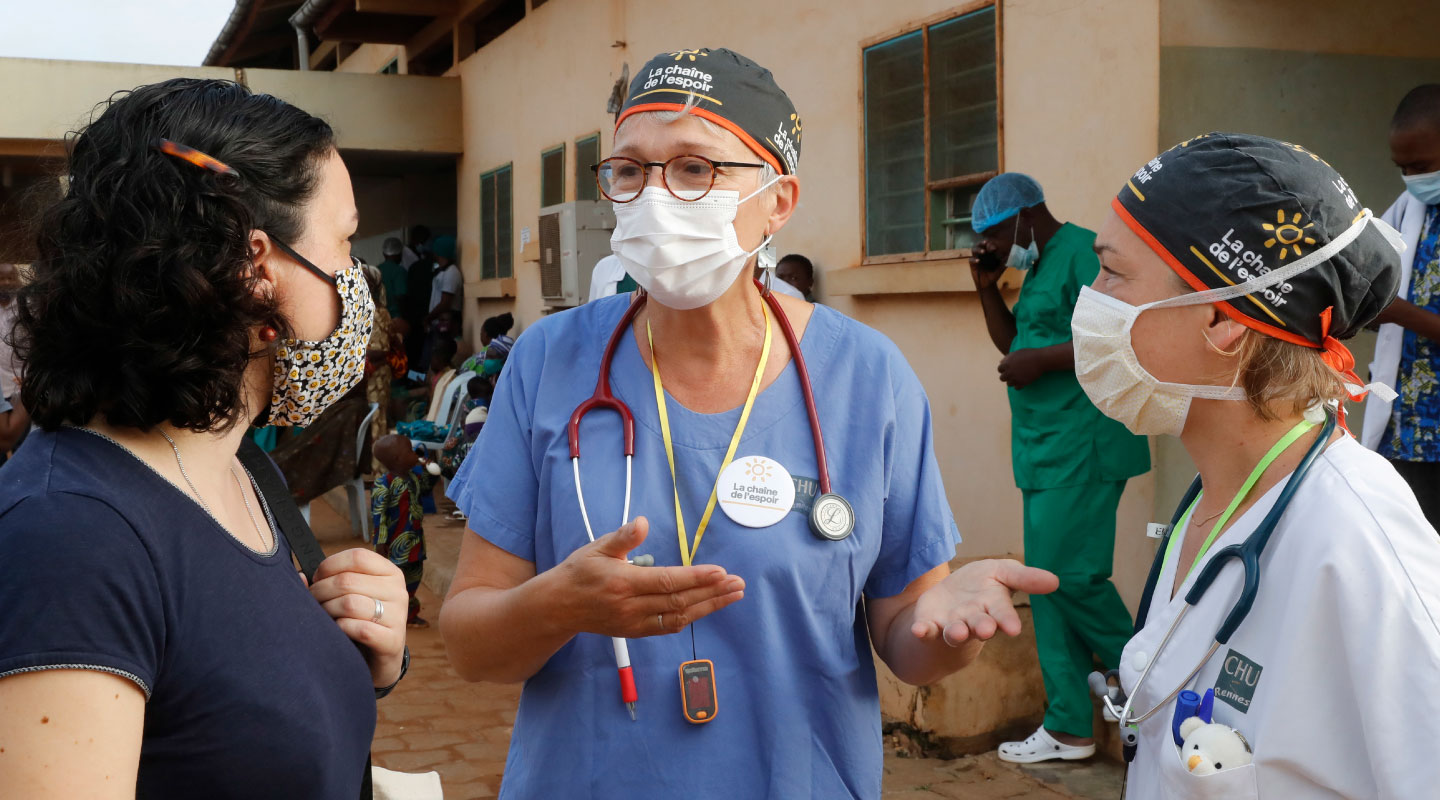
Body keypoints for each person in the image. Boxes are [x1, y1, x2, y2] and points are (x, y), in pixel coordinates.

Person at [440, 47, 1057, 799]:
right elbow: (473, 644)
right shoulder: (549, 364)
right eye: (630, 170)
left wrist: (949, 633)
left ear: (779, 200)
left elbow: (904, 638)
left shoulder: (865, 378)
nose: (655, 196)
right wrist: (557, 605)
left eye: (695, 169)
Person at [0, 78, 410, 797]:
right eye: (344, 243)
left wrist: (364, 653)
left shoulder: (240, 468)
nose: (358, 281)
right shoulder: (69, 541)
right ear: (257, 267)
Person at [1083, 132, 1440, 797]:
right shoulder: (1214, 503)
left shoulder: (1361, 545)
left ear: (1224, 320)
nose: (1092, 299)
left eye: (1113, 273)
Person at [967, 172, 1151, 762]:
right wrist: (986, 285)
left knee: (1071, 579)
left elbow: (1118, 337)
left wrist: (1041, 360)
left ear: (1024, 215)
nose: (991, 246)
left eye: (993, 235)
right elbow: (1011, 345)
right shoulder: (1038, 265)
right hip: (1045, 447)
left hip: (1084, 443)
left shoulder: (1082, 253)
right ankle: (1069, 725)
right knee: (1043, 583)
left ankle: (1153, 681)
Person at [1363, 85, 1440, 529]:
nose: (1411, 177)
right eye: (1403, 167)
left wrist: (1398, 313)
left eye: (1422, 166)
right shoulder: (1412, 208)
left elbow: (1401, 309)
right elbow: (1376, 276)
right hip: (1404, 431)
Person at [371, 434, 439, 629]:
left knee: (414, 577)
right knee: (394, 581)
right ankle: (389, 613)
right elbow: (379, 514)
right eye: (410, 451)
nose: (415, 454)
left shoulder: (414, 478)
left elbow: (426, 489)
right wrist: (381, 541)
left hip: (415, 542)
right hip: (394, 544)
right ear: (398, 460)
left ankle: (409, 614)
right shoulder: (384, 484)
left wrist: (430, 472)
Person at [378, 236, 408, 317]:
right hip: (394, 316)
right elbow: (400, 296)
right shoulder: (399, 271)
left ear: (384, 253)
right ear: (400, 254)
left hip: (378, 316)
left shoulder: (377, 269)